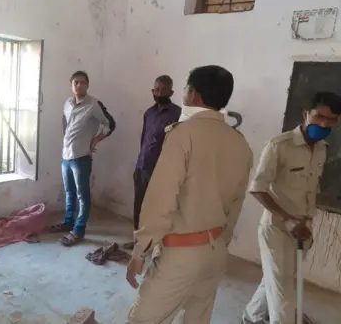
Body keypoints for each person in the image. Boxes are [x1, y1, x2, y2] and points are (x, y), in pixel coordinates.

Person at [125, 65, 253, 324]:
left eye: (184, 87)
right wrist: (219, 243)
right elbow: (236, 202)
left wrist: (140, 251)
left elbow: (161, 200)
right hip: (215, 252)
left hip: (181, 255)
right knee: (197, 318)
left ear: (194, 95)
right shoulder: (240, 142)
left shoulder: (183, 134)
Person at [242, 92, 341, 324]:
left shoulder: (321, 149)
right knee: (284, 289)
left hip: (303, 228)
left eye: (332, 119)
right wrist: (287, 219)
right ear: (306, 114)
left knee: (277, 278)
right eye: (319, 117)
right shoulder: (279, 146)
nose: (325, 124)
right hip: (277, 227)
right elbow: (257, 188)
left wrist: (305, 221)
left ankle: (251, 315)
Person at [48, 71, 114, 246]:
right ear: (71, 84)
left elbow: (109, 124)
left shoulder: (93, 105)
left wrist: (96, 140)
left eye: (83, 82)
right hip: (66, 156)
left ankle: (79, 230)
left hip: (81, 158)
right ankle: (68, 222)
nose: (79, 85)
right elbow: (65, 121)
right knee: (69, 192)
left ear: (87, 85)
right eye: (76, 82)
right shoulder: (67, 104)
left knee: (82, 195)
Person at [124, 75, 181, 250]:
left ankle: (156, 245)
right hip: (143, 166)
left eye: (163, 91)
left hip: (162, 170)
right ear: (152, 91)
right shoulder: (149, 113)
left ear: (171, 92)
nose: (159, 93)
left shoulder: (177, 114)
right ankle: (139, 242)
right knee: (139, 207)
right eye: (156, 90)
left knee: (158, 210)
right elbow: (144, 139)